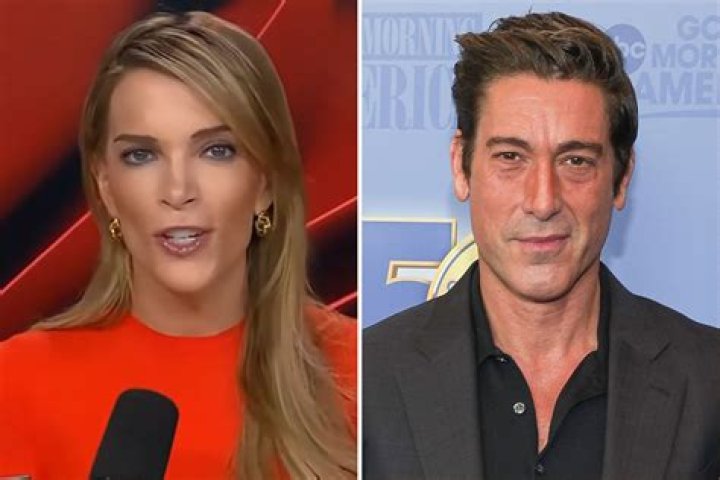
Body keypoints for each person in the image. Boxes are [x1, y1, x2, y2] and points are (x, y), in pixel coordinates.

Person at [363, 11, 720, 480]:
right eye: (511, 157)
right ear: (461, 166)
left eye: (576, 161)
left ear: (621, 178)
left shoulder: (708, 382)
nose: (543, 200)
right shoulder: (365, 380)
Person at [0, 11, 356, 479]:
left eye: (217, 151)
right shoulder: (17, 382)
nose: (178, 190)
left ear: (265, 182)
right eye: (141, 155)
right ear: (106, 187)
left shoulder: (364, 373)